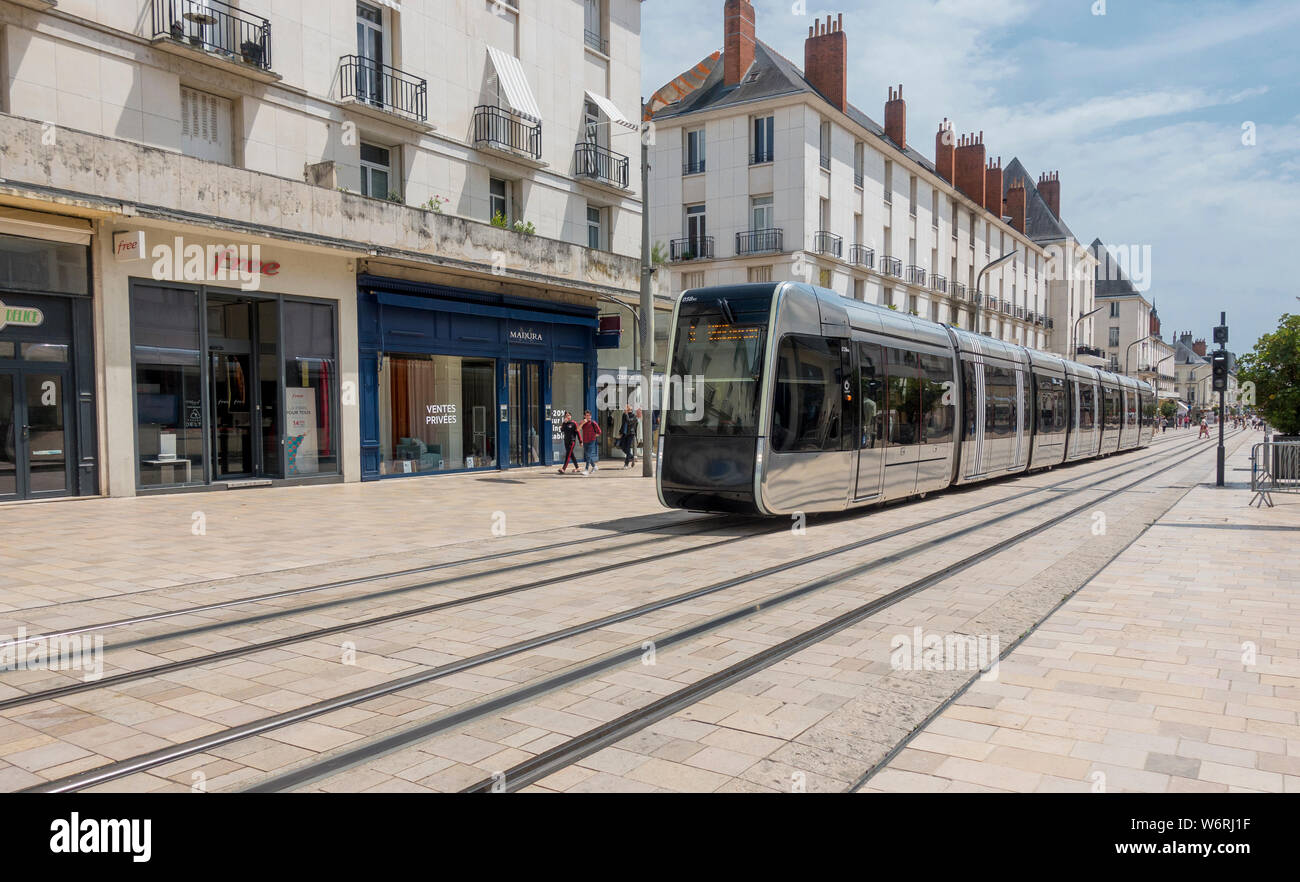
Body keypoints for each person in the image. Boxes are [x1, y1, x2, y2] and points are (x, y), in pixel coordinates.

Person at [578, 410, 601, 475]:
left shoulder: (593, 423)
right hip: (585, 441)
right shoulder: (583, 422)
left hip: (591, 441)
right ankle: (594, 466)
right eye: (587, 415)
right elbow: (578, 429)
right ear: (584, 416)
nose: (588, 417)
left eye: (589, 415)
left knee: (588, 455)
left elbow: (599, 431)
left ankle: (586, 469)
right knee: (587, 455)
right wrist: (583, 423)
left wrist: (594, 435)